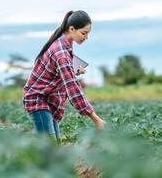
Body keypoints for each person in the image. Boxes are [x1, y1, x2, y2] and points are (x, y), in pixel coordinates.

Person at [23, 10, 105, 143]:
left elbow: (58, 72)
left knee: (54, 145)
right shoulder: (60, 52)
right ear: (72, 29)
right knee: (50, 148)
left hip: (48, 99)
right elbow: (72, 88)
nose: (86, 37)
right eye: (84, 33)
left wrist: (76, 71)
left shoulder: (64, 44)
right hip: (38, 99)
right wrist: (96, 119)